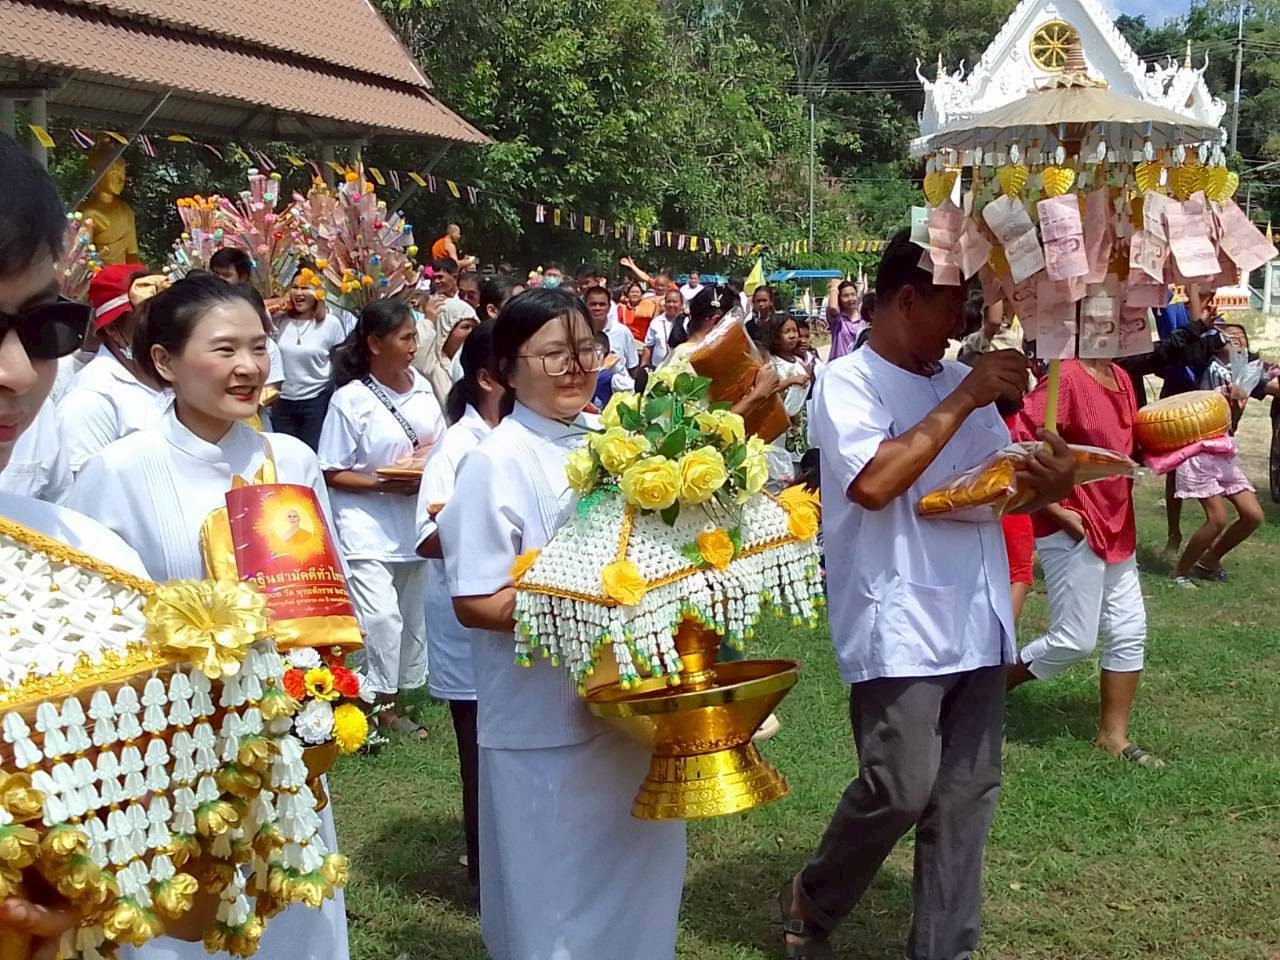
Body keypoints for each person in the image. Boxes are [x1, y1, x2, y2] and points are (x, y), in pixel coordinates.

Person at [778, 230, 1074, 960]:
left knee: (965, 798)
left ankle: (945, 949)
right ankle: (816, 898)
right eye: (955, 304)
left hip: (977, 616)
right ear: (906, 299)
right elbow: (875, 485)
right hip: (900, 614)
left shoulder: (955, 381)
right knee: (899, 788)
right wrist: (971, 389)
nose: (966, 320)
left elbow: (991, 486)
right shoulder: (848, 381)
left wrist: (1056, 478)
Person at [66, 274, 351, 960]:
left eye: (258, 346)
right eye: (223, 349)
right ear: (164, 361)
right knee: (185, 928)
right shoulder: (119, 471)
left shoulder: (293, 462)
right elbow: (96, 630)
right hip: (174, 758)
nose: (249, 367)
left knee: (296, 916)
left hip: (287, 747)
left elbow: (327, 598)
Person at [0, 125, 228, 960]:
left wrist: (99, 894)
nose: (19, 373)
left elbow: (189, 908)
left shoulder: (93, 568)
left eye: (43, 328)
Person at [437, 288, 685, 959]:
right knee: (553, 902)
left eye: (584, 348)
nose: (574, 366)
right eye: (553, 353)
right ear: (504, 370)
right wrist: (576, 590)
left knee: (641, 882)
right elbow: (475, 601)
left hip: (634, 707)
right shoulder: (494, 461)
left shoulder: (616, 442)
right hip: (544, 716)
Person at [1006, 357, 1157, 766]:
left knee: (1129, 630)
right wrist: (1056, 509)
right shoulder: (1065, 376)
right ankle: (982, 691)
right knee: (1074, 639)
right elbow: (1021, 439)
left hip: (1117, 520)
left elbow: (1127, 447)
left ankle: (1113, 736)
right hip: (1073, 524)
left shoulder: (1121, 376)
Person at [318, 299, 445, 739]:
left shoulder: (424, 388)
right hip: (365, 524)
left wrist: (426, 466)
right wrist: (382, 484)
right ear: (374, 343)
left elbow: (441, 445)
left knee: (411, 616)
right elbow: (332, 469)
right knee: (381, 618)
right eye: (405, 337)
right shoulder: (350, 400)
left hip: (412, 522)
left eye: (415, 336)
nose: (414, 346)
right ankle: (376, 704)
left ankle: (397, 696)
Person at [415, 321, 505, 887]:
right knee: (479, 751)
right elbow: (425, 539)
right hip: (468, 621)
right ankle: (483, 867)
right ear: (490, 377)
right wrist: (478, 518)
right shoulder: (459, 445)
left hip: (521, 617)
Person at [1170, 321, 1267, 587]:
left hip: (1223, 450)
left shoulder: (1244, 374)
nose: (1238, 343)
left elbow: (1263, 388)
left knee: (1253, 515)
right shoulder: (1207, 365)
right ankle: (1180, 572)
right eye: (1231, 338)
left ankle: (1209, 560)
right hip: (1199, 451)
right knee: (1217, 519)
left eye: (1242, 338)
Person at [58, 262, 171, 474]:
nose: (162, 328)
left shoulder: (176, 376)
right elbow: (88, 493)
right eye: (147, 320)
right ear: (112, 329)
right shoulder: (88, 400)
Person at [270, 269, 355, 451]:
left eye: (305, 288)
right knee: (284, 454)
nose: (299, 293)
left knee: (312, 454)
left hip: (316, 401)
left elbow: (340, 360)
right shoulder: (279, 321)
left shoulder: (330, 323)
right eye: (295, 287)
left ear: (318, 293)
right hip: (282, 400)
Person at [415, 260, 479, 407]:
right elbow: (419, 360)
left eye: (474, 327)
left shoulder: (479, 367)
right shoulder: (433, 368)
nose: (471, 333)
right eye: (465, 327)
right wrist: (429, 321)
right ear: (446, 331)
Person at [762, 313, 812, 480]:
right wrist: (791, 381)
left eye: (794, 331)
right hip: (780, 428)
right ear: (776, 336)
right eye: (786, 332)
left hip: (798, 426)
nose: (792, 335)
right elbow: (767, 390)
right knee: (782, 472)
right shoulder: (772, 362)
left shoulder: (798, 360)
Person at [586, 285, 640, 383]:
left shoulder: (622, 332)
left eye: (602, 304)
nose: (597, 308)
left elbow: (633, 366)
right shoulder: (579, 333)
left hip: (619, 390)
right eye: (593, 304)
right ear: (586, 306)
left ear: (609, 307)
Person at [643, 288, 684, 370]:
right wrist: (643, 367)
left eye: (675, 302)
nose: (671, 305)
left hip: (679, 369)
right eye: (669, 301)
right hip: (657, 368)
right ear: (664, 304)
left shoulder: (687, 322)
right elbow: (648, 347)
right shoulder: (656, 322)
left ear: (681, 304)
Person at [825, 278, 862, 360]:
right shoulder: (838, 319)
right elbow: (833, 307)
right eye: (845, 296)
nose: (850, 299)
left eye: (853, 294)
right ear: (839, 298)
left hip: (857, 367)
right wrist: (834, 287)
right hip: (838, 367)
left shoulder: (864, 318)